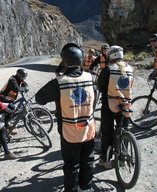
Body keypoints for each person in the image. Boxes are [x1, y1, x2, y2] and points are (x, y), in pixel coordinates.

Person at [35, 43, 96, 192]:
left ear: (64, 61)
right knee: (88, 160)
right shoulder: (90, 77)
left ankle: (72, 190)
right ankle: (86, 187)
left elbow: (39, 99)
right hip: (88, 127)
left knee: (71, 164)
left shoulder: (59, 82)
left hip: (69, 130)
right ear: (81, 60)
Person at [97, 45, 133, 169]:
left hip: (110, 104)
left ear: (111, 55)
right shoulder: (130, 68)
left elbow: (100, 86)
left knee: (107, 132)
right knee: (124, 129)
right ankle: (123, 157)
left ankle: (105, 159)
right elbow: (131, 85)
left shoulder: (108, 69)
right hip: (126, 103)